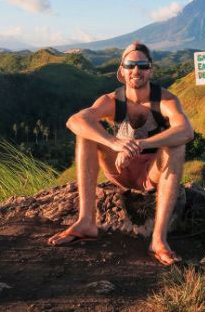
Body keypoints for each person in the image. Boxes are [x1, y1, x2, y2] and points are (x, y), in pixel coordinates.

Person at [48, 41, 194, 266]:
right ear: (121, 71)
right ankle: (87, 221)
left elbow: (185, 131)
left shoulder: (165, 99)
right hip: (119, 170)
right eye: (131, 65)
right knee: (86, 134)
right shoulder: (112, 100)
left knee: (177, 145)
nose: (137, 70)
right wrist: (114, 142)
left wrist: (140, 144)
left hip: (150, 174)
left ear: (151, 70)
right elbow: (75, 120)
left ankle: (158, 239)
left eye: (143, 65)